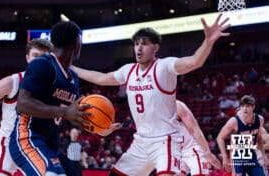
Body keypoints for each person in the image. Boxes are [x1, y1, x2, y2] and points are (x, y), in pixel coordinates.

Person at [72, 14, 230, 176]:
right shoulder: (128, 70)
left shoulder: (164, 67)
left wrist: (208, 41)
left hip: (166, 141)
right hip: (141, 143)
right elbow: (101, 78)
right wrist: (70, 68)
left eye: (145, 44)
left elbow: (195, 61)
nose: (139, 48)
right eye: (136, 44)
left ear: (155, 48)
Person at [9, 21, 91, 176]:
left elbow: (74, 112)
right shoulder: (43, 64)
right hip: (28, 139)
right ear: (76, 44)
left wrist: (100, 124)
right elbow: (23, 104)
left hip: (50, 145)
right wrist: (64, 111)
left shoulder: (73, 77)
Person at [0, 38, 53, 175]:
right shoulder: (12, 82)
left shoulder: (55, 87)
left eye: (44, 57)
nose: (39, 61)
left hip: (36, 145)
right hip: (8, 142)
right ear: (27, 58)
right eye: (35, 56)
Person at [217, 95, 269, 176]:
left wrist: (263, 155)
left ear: (253, 107)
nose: (244, 109)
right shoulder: (234, 122)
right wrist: (225, 157)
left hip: (252, 155)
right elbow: (220, 138)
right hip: (239, 158)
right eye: (242, 106)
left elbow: (259, 138)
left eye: (247, 106)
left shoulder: (259, 120)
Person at [176, 100, 221, 176]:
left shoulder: (177, 106)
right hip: (175, 152)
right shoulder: (152, 111)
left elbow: (194, 129)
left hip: (192, 149)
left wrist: (207, 153)